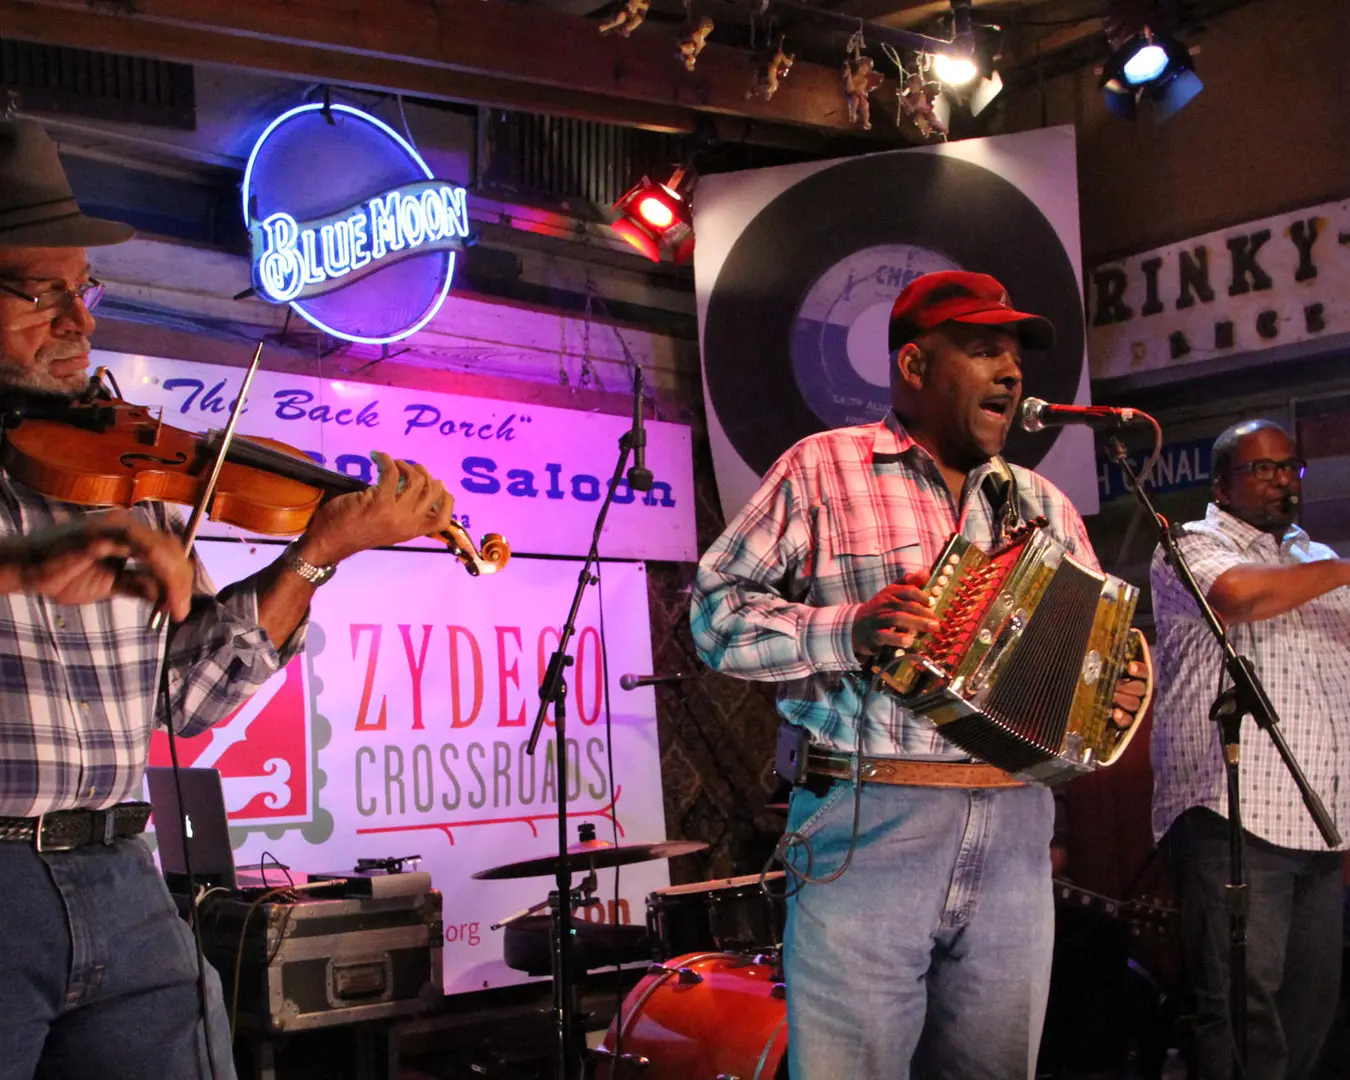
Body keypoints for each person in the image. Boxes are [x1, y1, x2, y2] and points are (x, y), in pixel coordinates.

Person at [0, 116, 458, 1080]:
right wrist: (30, 567)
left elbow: (186, 699)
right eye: (43, 293)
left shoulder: (129, 465)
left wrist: (319, 553)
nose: (80, 322)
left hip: (124, 869)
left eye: (83, 291)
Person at [691, 270, 1151, 1080]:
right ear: (914, 366)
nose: (1011, 373)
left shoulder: (1046, 505)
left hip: (1017, 834)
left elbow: (1089, 669)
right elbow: (714, 616)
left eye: (1015, 358)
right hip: (869, 819)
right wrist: (848, 630)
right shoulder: (825, 468)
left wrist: (1111, 696)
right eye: (983, 351)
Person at [1150, 418, 1350, 1080]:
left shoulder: (1316, 560)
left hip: (1323, 830)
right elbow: (1236, 597)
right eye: (1260, 469)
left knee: (1309, 1018)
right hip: (1232, 819)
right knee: (1241, 1018)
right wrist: (1339, 568)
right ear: (1220, 484)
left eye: (1289, 468)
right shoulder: (1188, 545)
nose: (1279, 481)